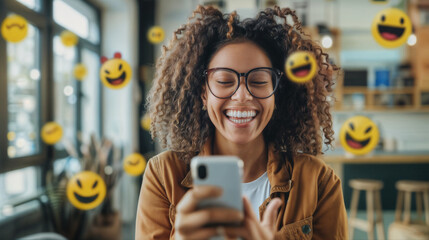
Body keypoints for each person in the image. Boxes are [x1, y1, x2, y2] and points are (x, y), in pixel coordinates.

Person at [136, 5, 347, 240]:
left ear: (276, 96)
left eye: (258, 81)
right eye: (225, 81)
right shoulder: (163, 175)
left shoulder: (318, 182)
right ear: (203, 95)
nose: (242, 96)